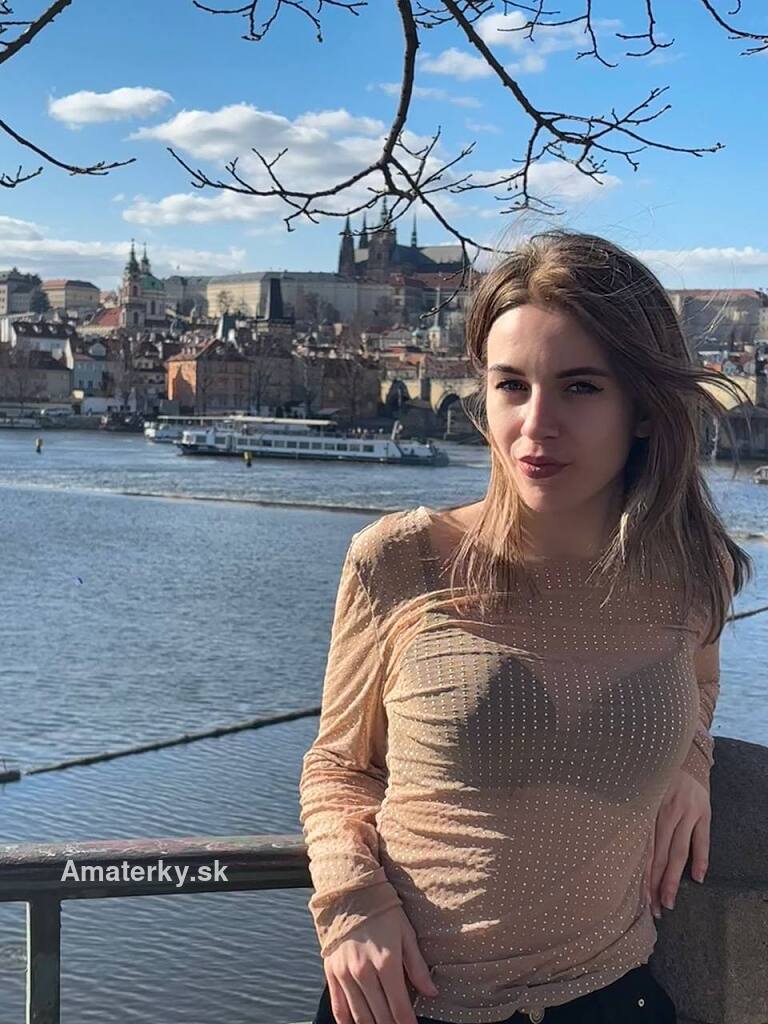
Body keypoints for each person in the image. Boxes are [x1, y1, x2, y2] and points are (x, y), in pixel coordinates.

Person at [299, 230, 752, 1024]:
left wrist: (691, 760)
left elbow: (701, 682)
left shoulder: (692, 569)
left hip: (610, 996)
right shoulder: (401, 559)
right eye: (512, 385)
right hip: (412, 1004)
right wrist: (352, 901)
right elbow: (339, 766)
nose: (536, 426)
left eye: (580, 388)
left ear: (645, 410)